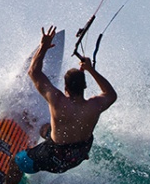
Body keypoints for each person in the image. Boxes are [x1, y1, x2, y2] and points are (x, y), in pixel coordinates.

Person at [14, 25, 117, 175]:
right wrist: (91, 69)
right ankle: (41, 128)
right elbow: (111, 94)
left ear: (65, 88)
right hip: (77, 156)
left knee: (19, 161)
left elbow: (33, 72)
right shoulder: (95, 105)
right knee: (46, 129)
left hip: (55, 156)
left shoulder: (57, 100)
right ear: (85, 86)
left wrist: (43, 46)